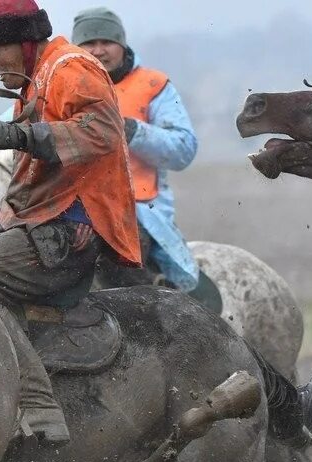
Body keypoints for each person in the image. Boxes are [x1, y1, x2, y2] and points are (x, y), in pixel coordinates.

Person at [0, 0, 142, 443]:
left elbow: (103, 133)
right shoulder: (38, 77)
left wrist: (20, 135)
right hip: (43, 219)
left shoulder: (69, 68)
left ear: (25, 41)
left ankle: (35, 401)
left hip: (70, 228)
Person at [72, 7, 200, 292]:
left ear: (122, 44)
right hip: (70, 205)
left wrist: (133, 131)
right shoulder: (60, 84)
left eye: (106, 42)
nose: (99, 50)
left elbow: (184, 149)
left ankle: (154, 319)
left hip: (136, 208)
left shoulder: (154, 86)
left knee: (121, 266)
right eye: (89, 43)